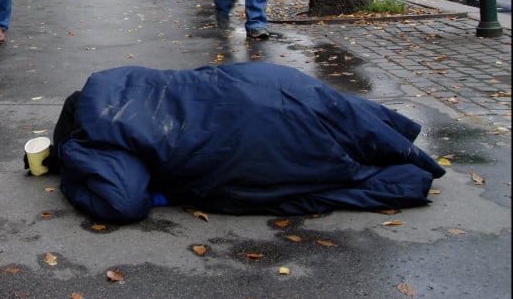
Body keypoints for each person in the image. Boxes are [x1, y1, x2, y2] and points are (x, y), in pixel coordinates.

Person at [39, 63, 446, 224]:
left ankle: (397, 163)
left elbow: (121, 202)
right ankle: (396, 134)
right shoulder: (109, 80)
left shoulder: (88, 142)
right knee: (333, 110)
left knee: (323, 161)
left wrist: (69, 173)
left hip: (242, 136)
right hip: (255, 85)